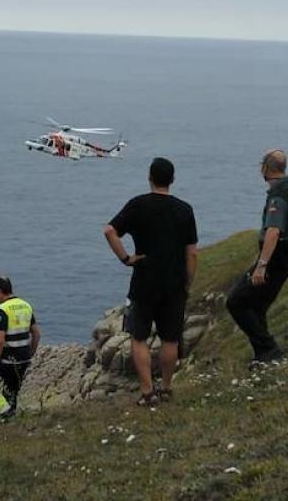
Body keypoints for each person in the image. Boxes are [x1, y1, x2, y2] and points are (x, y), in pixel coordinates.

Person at [103, 157, 198, 406]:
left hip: (144, 278)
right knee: (170, 338)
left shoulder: (138, 205)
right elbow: (192, 253)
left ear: (150, 178)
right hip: (174, 282)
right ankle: (166, 387)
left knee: (138, 337)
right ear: (172, 180)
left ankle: (147, 392)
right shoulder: (184, 210)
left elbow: (109, 231)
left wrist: (126, 258)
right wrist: (188, 282)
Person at [226, 149, 288, 368]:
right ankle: (263, 356)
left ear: (266, 168)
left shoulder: (278, 196)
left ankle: (270, 349)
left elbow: (273, 231)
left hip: (276, 257)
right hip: (287, 255)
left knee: (236, 302)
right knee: (257, 306)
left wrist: (261, 264)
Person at [0, 275, 40, 418]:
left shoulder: (2, 309)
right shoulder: (26, 305)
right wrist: (30, 355)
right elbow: (36, 333)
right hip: (23, 359)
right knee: (11, 392)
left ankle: (4, 412)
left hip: (8, 359)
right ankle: (9, 420)